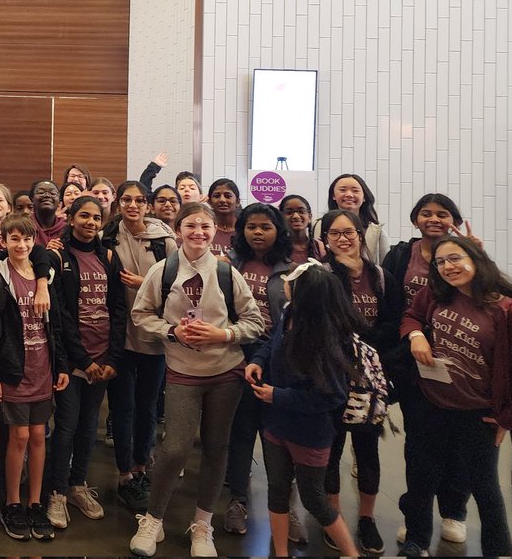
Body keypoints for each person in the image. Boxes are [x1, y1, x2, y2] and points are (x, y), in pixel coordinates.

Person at [129, 201, 264, 558]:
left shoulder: (226, 273)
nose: (198, 233)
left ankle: (202, 524)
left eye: (205, 226)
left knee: (217, 447)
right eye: (190, 226)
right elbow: (141, 315)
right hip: (182, 371)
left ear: (214, 230)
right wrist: (173, 331)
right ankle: (153, 519)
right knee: (174, 448)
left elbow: (254, 322)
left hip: (226, 373)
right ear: (178, 230)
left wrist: (224, 335)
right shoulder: (164, 271)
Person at [399, 235, 512, 557]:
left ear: (475, 258)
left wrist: (507, 418)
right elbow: (411, 315)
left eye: (453, 258)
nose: (447, 267)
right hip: (432, 404)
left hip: (478, 412)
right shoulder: (438, 294)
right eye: (440, 262)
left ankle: (497, 550)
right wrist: (416, 337)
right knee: (422, 475)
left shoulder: (509, 311)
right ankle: (417, 540)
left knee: (485, 487)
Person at [245, 261, 360, 557]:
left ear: (302, 292)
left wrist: (278, 396)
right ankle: (280, 553)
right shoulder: (289, 313)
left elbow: (331, 396)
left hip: (309, 432)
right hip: (275, 425)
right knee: (277, 490)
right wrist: (258, 359)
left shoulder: (325, 337)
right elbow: (272, 342)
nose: (284, 280)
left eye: (291, 280)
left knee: (314, 499)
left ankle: (351, 553)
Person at [382, 193, 473, 547]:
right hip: (412, 361)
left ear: (454, 218)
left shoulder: (466, 256)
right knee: (420, 445)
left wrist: (475, 256)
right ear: (415, 218)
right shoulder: (403, 254)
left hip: (460, 364)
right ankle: (416, 516)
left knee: (458, 442)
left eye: (442, 213)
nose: (433, 219)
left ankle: (454, 511)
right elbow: (389, 301)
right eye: (426, 213)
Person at [0, 213, 69, 543]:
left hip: (43, 367)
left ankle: (35, 502)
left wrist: (61, 366)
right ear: (3, 243)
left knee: (38, 434)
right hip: (14, 369)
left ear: (34, 241)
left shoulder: (43, 274)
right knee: (17, 437)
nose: (21, 245)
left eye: (27, 239)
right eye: (14, 239)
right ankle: (12, 502)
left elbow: (56, 325)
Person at [44, 196, 127, 530]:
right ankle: (57, 492)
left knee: (89, 426)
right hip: (73, 360)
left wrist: (111, 358)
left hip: (103, 358)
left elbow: (118, 309)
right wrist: (82, 359)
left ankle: (78, 485)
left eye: (96, 217)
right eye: (84, 216)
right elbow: (60, 313)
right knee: (65, 425)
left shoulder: (108, 256)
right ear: (71, 218)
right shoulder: (59, 256)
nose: (90, 222)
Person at [319, 207, 397, 555]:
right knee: (330, 450)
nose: (343, 239)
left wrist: (361, 341)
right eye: (335, 233)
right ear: (326, 239)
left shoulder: (381, 277)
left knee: (367, 450)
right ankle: (332, 515)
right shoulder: (319, 276)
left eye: (349, 232)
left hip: (369, 380)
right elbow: (319, 324)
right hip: (332, 377)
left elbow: (393, 324)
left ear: (361, 235)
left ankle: (366, 519)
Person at [101, 181, 176, 511]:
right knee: (122, 408)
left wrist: (144, 283)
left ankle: (142, 467)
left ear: (148, 204)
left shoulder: (165, 241)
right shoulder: (108, 238)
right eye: (127, 200)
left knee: (147, 408)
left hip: (155, 339)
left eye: (139, 200)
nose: (133, 205)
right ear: (118, 204)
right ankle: (124, 475)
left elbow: (179, 286)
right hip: (120, 338)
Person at [223, 203, 296, 537]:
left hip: (279, 360)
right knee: (241, 431)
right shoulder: (230, 264)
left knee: (279, 437)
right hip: (237, 355)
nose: (257, 232)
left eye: (265, 226)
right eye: (251, 226)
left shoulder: (292, 269)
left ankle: (285, 509)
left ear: (277, 230)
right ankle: (237, 499)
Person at [316, 173, 389, 263]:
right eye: (343, 190)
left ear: (364, 197)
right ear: (333, 196)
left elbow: (386, 267)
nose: (349, 195)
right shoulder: (318, 226)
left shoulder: (377, 233)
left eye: (355, 191)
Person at [279, 194, 324, 266]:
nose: (296, 216)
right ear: (281, 217)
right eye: (289, 212)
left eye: (301, 211)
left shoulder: (320, 247)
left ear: (309, 217)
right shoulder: (276, 247)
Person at [205, 178, 241, 258]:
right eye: (216, 196)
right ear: (209, 202)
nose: (222, 200)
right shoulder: (202, 229)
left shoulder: (244, 231)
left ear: (237, 202)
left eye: (228, 196)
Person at [30, 180, 67, 246]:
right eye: (41, 192)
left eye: (52, 193)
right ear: (32, 199)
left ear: (59, 202)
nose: (47, 195)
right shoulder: (24, 225)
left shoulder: (66, 229)